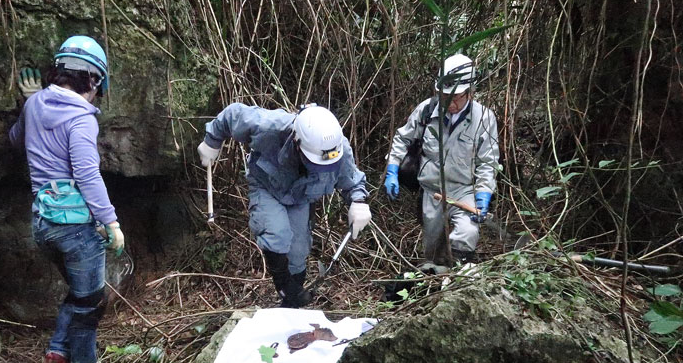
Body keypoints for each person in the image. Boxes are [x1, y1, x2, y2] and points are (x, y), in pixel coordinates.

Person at [10, 35, 125, 363]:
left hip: (42, 223)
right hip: (75, 227)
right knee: (91, 304)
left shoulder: (34, 105)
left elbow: (15, 140)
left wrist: (32, 106)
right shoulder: (81, 118)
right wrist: (111, 221)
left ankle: (56, 358)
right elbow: (87, 174)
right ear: (94, 80)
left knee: (79, 294)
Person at [197, 103, 372, 307]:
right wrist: (212, 141)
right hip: (266, 186)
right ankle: (284, 286)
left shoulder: (337, 148)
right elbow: (232, 115)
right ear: (297, 143)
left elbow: (352, 180)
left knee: (298, 251)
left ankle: (292, 299)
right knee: (277, 234)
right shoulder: (271, 127)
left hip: (300, 197)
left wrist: (358, 202)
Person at [384, 54, 499, 266]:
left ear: (470, 93)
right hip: (432, 191)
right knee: (432, 251)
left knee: (467, 234)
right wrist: (392, 169)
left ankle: (459, 278)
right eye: (446, 97)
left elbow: (488, 162)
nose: (451, 103)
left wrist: (484, 194)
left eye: (457, 97)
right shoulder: (427, 111)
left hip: (464, 190)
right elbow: (402, 139)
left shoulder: (484, 118)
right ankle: (434, 283)